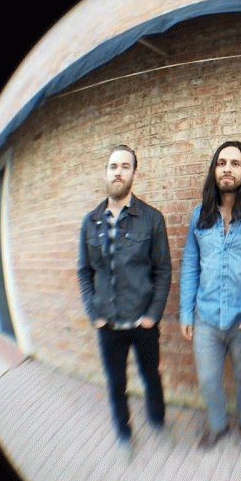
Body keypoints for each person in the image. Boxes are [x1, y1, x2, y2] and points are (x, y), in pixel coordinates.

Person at [77, 144, 172, 462]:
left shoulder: (151, 219)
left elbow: (163, 270)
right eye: (113, 166)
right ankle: (123, 432)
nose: (118, 172)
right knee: (116, 382)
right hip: (108, 322)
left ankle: (158, 421)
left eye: (125, 166)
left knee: (151, 376)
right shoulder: (90, 222)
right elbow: (84, 272)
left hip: (143, 321)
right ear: (106, 172)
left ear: (134, 174)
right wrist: (93, 313)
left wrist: (153, 314)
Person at [180, 141, 241, 450]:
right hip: (205, 317)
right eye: (221, 163)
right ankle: (218, 424)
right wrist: (185, 312)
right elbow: (190, 264)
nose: (227, 169)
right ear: (214, 171)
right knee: (207, 379)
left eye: (235, 163)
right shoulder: (200, 215)